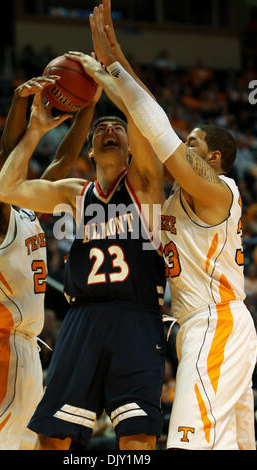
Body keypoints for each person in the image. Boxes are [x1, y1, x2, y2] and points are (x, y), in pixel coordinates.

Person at [90, 0, 257, 450]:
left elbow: (160, 132)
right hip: (199, 329)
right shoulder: (172, 203)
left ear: (214, 158)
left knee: (185, 444)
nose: (184, 145)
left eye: (193, 143)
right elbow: (149, 125)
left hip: (217, 324)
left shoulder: (220, 191)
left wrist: (118, 74)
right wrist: (117, 59)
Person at [0, 51, 166, 450]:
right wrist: (35, 130)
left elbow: (144, 115)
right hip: (81, 318)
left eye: (117, 129)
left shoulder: (144, 184)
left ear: (130, 147)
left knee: (138, 438)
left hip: (135, 317)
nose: (109, 130)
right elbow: (4, 189)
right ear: (88, 151)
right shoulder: (75, 195)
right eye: (101, 128)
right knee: (52, 438)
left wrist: (104, 81)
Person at [0, 74, 99, 450]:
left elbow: (64, 159)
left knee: (19, 443)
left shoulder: (27, 211)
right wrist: (22, 107)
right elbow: (8, 152)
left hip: (25, 348)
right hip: (3, 343)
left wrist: (89, 105)